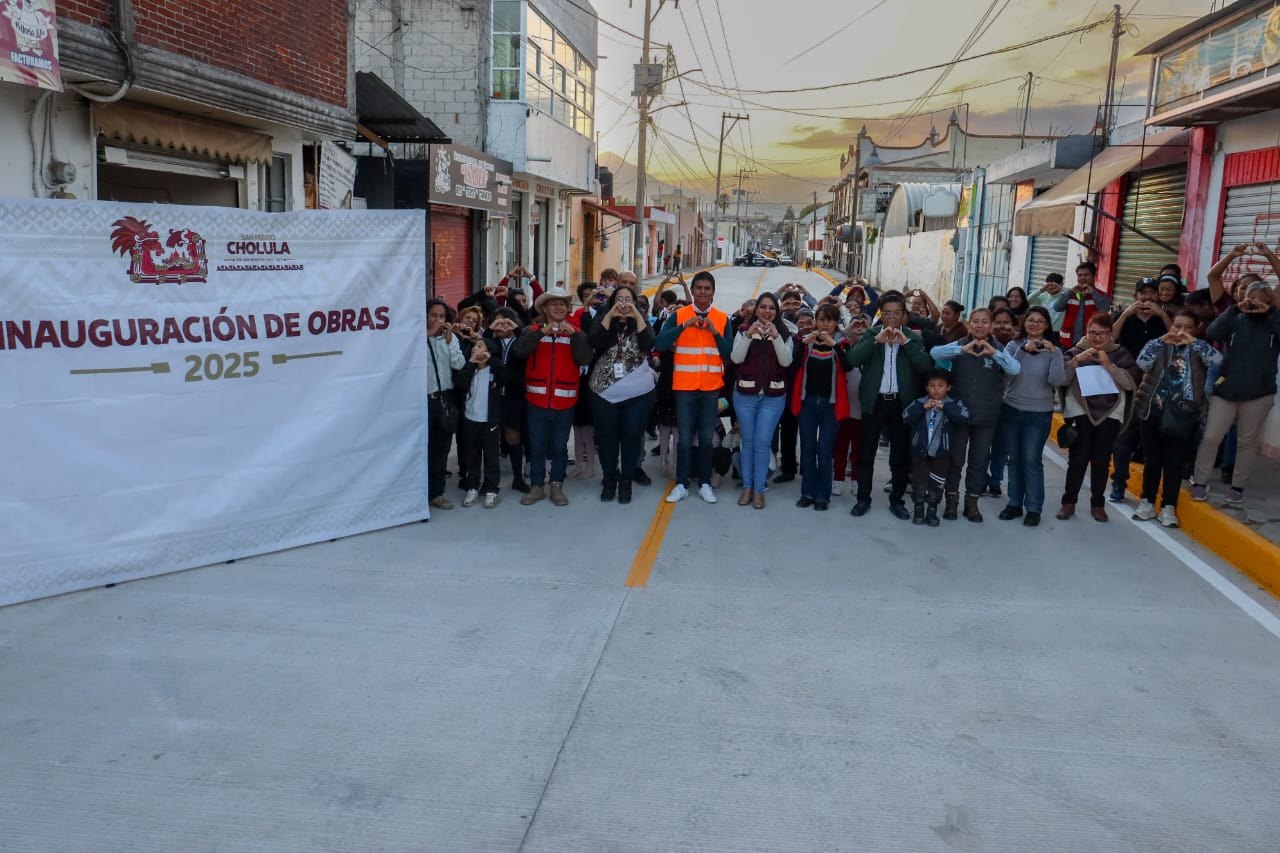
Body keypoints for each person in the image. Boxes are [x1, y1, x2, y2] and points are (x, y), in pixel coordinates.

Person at [1190, 281, 1280, 505]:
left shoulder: (1273, 321)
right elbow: (1212, 332)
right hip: (1227, 389)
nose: (1255, 302)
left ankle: (1238, 486)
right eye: (1251, 297)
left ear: (1269, 301)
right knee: (1211, 437)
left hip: (1260, 392)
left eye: (1261, 298)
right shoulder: (1235, 318)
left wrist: (1271, 314)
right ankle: (1200, 482)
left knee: (1247, 442)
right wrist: (1234, 309)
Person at [846, 292, 935, 519]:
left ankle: (897, 500)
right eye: (887, 314)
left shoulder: (912, 338)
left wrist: (905, 344)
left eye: (896, 313)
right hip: (874, 403)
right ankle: (863, 499)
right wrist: (876, 341)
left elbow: (925, 365)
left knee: (900, 456)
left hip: (900, 403)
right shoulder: (872, 334)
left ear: (904, 315)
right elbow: (852, 359)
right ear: (881, 315)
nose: (892, 319)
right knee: (866, 453)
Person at [929, 308, 1022, 523]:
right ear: (969, 324)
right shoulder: (960, 344)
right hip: (960, 414)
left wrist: (994, 353)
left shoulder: (998, 348)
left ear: (991, 325)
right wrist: (962, 350)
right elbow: (935, 353)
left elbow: (1015, 369)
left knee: (979, 461)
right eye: (976, 321)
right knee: (956, 460)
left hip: (987, 415)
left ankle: (972, 504)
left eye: (985, 322)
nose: (980, 326)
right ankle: (951, 501)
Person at [1132, 312, 1221, 527]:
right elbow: (1142, 362)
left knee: (1174, 463)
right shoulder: (1159, 345)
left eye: (1187, 327)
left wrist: (1195, 342)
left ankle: (1168, 506)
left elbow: (1217, 360)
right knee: (1153, 460)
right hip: (1153, 410)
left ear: (1195, 329)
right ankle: (1147, 501)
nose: (1181, 331)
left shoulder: (1198, 348)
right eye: (1177, 326)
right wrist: (1162, 340)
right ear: (1170, 326)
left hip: (1183, 414)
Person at [657, 270, 733, 504]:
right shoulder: (679, 315)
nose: (702, 292)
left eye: (706, 288)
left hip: (710, 387)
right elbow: (660, 343)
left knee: (707, 440)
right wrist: (683, 326)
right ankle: (681, 484)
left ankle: (705, 483)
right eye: (698, 288)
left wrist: (714, 332)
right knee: (685, 437)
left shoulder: (721, 319)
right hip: (685, 386)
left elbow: (728, 354)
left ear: (713, 292)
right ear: (693, 289)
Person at [512, 287, 593, 507]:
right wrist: (542, 333)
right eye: (553, 304)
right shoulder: (533, 330)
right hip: (536, 401)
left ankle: (557, 484)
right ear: (544, 309)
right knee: (536, 446)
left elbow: (585, 358)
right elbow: (519, 353)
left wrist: (574, 336)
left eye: (563, 304)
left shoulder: (577, 333)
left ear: (568, 309)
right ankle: (537, 486)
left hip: (565, 401)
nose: (559, 307)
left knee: (558, 447)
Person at [1056, 314, 1141, 522]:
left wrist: (1109, 366)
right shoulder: (1076, 352)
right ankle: (1068, 503)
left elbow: (1130, 384)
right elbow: (1061, 378)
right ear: (1086, 332)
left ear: (1111, 334)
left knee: (1102, 462)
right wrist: (1077, 361)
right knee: (1077, 460)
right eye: (1092, 332)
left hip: (1110, 414)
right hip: (1080, 411)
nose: (1096, 338)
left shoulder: (1120, 354)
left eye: (1102, 333)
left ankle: (1097, 504)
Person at [996, 307, 1066, 527]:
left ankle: (1034, 508)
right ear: (1024, 323)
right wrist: (1023, 351)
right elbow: (1010, 371)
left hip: (1039, 412)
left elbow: (1057, 380)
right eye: (1031, 320)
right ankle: (1015, 503)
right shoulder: (1013, 346)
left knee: (1031, 459)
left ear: (1047, 325)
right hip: (1012, 408)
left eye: (1040, 321)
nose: (1035, 324)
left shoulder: (1054, 350)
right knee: (1014, 458)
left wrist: (1054, 354)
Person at [588, 284, 657, 505]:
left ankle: (626, 480)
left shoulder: (641, 322)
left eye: (629, 300)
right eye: (620, 299)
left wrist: (637, 315)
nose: (624, 304)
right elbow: (594, 342)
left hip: (638, 394)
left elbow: (649, 343)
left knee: (631, 437)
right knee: (607, 439)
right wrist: (610, 314)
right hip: (603, 393)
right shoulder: (605, 320)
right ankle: (610, 478)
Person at [1108, 278, 1173, 502]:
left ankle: (1149, 493)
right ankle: (1118, 482)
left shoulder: (1163, 320)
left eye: (1151, 293)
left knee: (1151, 440)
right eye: (1142, 293)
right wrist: (1126, 314)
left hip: (1157, 386)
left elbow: (1177, 339)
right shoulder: (1124, 318)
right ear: (1135, 295)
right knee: (1124, 437)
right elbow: (1111, 339)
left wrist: (1162, 315)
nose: (1147, 297)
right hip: (1128, 383)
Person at [730, 292, 793, 509]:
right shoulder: (743, 330)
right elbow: (736, 358)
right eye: (763, 307)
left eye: (771, 308)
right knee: (747, 442)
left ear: (777, 312)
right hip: (746, 395)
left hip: (773, 397)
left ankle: (758, 489)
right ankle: (747, 487)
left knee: (762, 443)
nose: (767, 311)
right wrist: (749, 336)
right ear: (756, 310)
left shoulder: (784, 333)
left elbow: (786, 362)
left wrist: (775, 337)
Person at [791, 303, 853, 511]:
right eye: (821, 319)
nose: (825, 324)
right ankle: (807, 492)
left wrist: (833, 346)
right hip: (808, 402)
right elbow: (794, 364)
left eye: (830, 320)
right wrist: (802, 344)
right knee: (807, 449)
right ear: (815, 321)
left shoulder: (842, 343)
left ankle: (822, 495)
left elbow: (848, 366)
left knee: (824, 450)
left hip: (830, 405)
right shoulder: (807, 343)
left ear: (836, 323)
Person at [904, 368, 971, 526]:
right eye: (932, 385)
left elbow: (965, 417)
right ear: (926, 387)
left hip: (942, 453)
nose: (936, 389)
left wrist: (945, 407)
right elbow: (906, 416)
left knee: (937, 482)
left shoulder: (954, 403)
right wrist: (922, 408)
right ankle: (919, 508)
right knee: (919, 481)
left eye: (940, 385)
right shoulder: (920, 402)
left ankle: (932, 509)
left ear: (948, 387)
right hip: (920, 451)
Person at [456, 322, 507, 508]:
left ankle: (491, 489)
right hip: (470, 419)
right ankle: (472, 487)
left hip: (490, 421)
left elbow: (505, 376)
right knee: (472, 455)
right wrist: (471, 363)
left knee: (491, 456)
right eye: (474, 347)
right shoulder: (469, 369)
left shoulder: (494, 370)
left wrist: (490, 360)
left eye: (480, 346)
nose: (476, 349)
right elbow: (460, 383)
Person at [426, 299, 466, 511]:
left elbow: (458, 364)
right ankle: (419, 491)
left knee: (441, 449)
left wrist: (450, 341)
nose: (438, 320)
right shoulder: (416, 338)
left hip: (445, 399)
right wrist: (428, 335)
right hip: (422, 400)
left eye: (442, 317)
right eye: (434, 315)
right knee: (422, 448)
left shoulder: (449, 340)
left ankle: (437, 492)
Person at [488, 308, 530, 493]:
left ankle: (518, 477)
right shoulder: (491, 341)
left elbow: (528, 347)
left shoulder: (520, 341)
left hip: (515, 395)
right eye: (498, 321)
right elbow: (483, 344)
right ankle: (488, 481)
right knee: (490, 436)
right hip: (493, 394)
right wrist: (491, 329)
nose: (502, 325)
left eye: (506, 321)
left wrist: (517, 329)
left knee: (514, 435)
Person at [832, 313, 870, 497]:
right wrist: (848, 329)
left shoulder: (872, 350)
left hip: (862, 409)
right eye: (856, 328)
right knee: (840, 446)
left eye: (864, 329)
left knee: (858, 448)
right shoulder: (843, 347)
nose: (860, 331)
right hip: (844, 407)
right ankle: (838, 479)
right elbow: (837, 338)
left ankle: (856, 479)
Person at [1054, 261, 1111, 348]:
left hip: (1089, 343)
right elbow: (1057, 308)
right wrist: (1069, 293)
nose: (1082, 278)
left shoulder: (1101, 295)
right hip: (1068, 342)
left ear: (1093, 277)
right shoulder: (1070, 294)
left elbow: (1104, 310)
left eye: (1086, 275)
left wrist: (1093, 293)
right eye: (1080, 275)